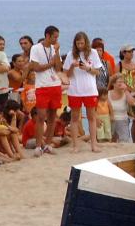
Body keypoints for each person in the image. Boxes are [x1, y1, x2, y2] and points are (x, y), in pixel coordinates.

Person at [63, 31, 103, 153]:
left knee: (91, 117)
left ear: (86, 42)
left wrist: (87, 68)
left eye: (82, 43)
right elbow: (66, 75)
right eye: (77, 43)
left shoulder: (93, 53)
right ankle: (75, 145)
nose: (80, 45)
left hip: (90, 89)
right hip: (75, 90)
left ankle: (94, 144)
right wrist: (72, 67)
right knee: (75, 118)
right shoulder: (71, 54)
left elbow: (98, 72)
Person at [28, 26, 63, 156]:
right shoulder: (36, 48)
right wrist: (50, 64)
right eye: (54, 37)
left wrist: (57, 53)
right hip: (42, 85)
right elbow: (36, 68)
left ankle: (48, 144)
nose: (56, 39)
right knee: (41, 116)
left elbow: (59, 68)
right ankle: (38, 146)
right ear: (47, 36)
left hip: (55, 84)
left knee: (53, 116)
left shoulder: (54, 48)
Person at [108, 75, 134, 143]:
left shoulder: (125, 93)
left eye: (123, 82)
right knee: (110, 140)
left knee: (124, 141)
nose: (122, 83)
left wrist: (126, 90)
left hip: (122, 120)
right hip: (110, 120)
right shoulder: (107, 94)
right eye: (119, 82)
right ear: (113, 83)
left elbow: (132, 103)